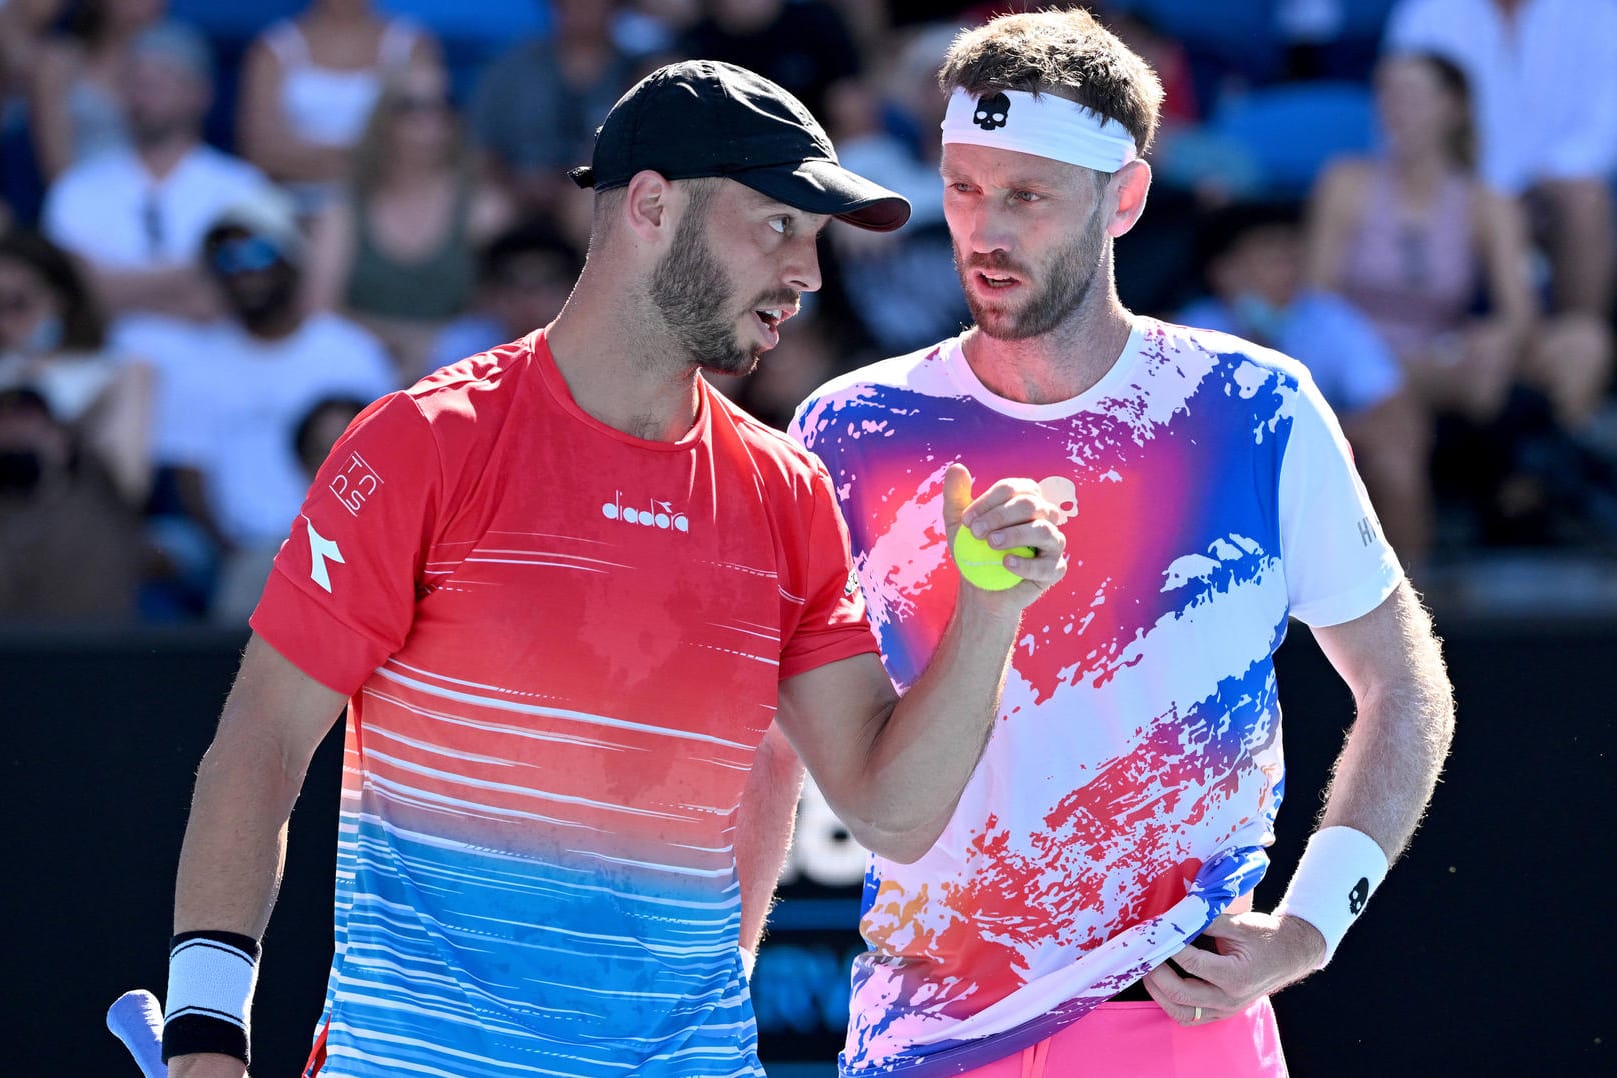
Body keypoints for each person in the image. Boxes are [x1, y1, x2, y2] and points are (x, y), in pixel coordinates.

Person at [161, 59, 1069, 1078]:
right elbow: (261, 742)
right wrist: (204, 1038)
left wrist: (990, 611)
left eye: (814, 240)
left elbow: (891, 811)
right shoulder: (423, 445)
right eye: (778, 224)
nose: (809, 273)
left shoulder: (786, 494)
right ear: (650, 204)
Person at [789, 10, 1455, 1076]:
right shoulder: (844, 428)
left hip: (1183, 1030)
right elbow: (789, 750)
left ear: (1126, 198)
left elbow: (1404, 683)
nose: (983, 229)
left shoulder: (1255, 404)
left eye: (1027, 194)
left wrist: (1313, 925)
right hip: (917, 1032)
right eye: (963, 186)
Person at [119, 189, 396, 625]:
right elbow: (191, 479)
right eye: (227, 259)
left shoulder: (352, 353)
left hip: (342, 545)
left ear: (293, 257)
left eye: (259, 251)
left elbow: (385, 467)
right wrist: (233, 551)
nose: (245, 271)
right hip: (231, 549)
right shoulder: (194, 363)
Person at [1179, 202, 1430, 564]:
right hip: (1231, 479)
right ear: (1226, 273)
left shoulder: (1329, 319)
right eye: (1271, 257)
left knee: (1395, 455)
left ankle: (1412, 597)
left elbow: (1396, 411)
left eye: (1292, 256)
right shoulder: (1190, 333)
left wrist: (1312, 436)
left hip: (1325, 467)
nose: (1288, 271)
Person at [39, 19, 276, 322]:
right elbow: (67, 294)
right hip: (103, 362)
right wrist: (193, 274)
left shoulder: (243, 187)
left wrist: (111, 287)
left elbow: (238, 295)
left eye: (159, 82)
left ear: (200, 94)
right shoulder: (76, 189)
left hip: (218, 361)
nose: (143, 96)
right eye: (134, 82)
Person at [303, 60, 513, 380]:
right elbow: (319, 309)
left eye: (441, 106)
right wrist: (388, 342)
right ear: (383, 119)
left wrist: (427, 347)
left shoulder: (484, 208)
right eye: (411, 107)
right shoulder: (344, 209)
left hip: (457, 369)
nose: (429, 120)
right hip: (364, 359)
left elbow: (502, 310)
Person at [235, 0, 439, 214]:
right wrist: (367, 158)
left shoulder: (412, 46)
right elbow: (261, 153)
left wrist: (307, 157)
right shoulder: (272, 50)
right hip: (293, 208)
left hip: (389, 210)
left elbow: (426, 143)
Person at [0, 227, 154, 505]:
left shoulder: (121, 373)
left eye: (17, 304)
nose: (4, 323)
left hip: (78, 523)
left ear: (60, 300)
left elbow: (128, 484)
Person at [26, 0, 163, 181]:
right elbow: (55, 162)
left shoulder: (168, 68)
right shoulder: (58, 62)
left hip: (152, 196)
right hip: (76, 195)